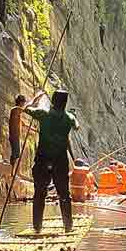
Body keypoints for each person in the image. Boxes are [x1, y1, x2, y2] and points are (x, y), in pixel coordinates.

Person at [23, 90, 78, 233]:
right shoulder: (69, 118)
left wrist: (36, 97)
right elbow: (76, 126)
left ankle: (37, 227)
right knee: (64, 194)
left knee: (40, 193)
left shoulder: (43, 113)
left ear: (53, 101)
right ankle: (68, 226)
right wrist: (72, 118)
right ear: (65, 103)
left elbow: (26, 109)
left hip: (43, 159)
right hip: (60, 161)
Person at [7, 94, 28, 166]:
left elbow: (24, 125)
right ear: (20, 102)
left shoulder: (18, 113)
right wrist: (37, 97)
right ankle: (12, 172)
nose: (24, 104)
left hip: (16, 137)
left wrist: (36, 130)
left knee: (16, 154)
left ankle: (13, 172)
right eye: (23, 102)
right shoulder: (15, 109)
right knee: (15, 155)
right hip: (14, 136)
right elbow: (26, 108)